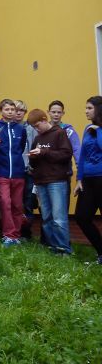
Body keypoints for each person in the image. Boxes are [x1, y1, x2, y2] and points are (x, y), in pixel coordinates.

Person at [27, 109, 73, 255]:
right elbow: (34, 163)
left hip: (57, 181)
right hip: (41, 181)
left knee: (59, 218)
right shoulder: (37, 139)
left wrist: (43, 152)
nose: (36, 129)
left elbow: (66, 154)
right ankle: (53, 247)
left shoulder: (59, 133)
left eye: (37, 125)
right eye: (34, 127)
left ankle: (64, 249)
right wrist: (33, 158)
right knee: (46, 217)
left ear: (44, 119)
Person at [0, 99, 27, 245]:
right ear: (0, 111)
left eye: (12, 109)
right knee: (5, 203)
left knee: (17, 205)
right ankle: (8, 234)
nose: (10, 112)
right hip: (2, 172)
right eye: (7, 109)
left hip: (18, 173)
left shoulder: (20, 129)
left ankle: (16, 235)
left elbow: (21, 147)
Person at [74, 96, 102, 265]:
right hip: (88, 180)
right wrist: (79, 179)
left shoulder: (95, 129)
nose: (86, 111)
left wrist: (98, 130)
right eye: (86, 108)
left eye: (90, 108)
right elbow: (83, 155)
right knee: (82, 217)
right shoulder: (87, 128)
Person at [15, 99, 38, 239]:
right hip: (14, 170)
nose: (18, 113)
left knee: (28, 201)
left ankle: (26, 232)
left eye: (22, 110)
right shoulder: (9, 127)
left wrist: (32, 167)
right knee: (16, 202)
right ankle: (14, 231)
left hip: (28, 170)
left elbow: (35, 148)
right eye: (16, 110)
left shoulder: (31, 129)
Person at [48, 100, 81, 185]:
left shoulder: (69, 130)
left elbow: (76, 149)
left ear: (63, 113)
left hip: (63, 174)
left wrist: (80, 169)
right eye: (53, 112)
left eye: (59, 112)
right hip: (45, 174)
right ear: (48, 112)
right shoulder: (43, 129)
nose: (56, 114)